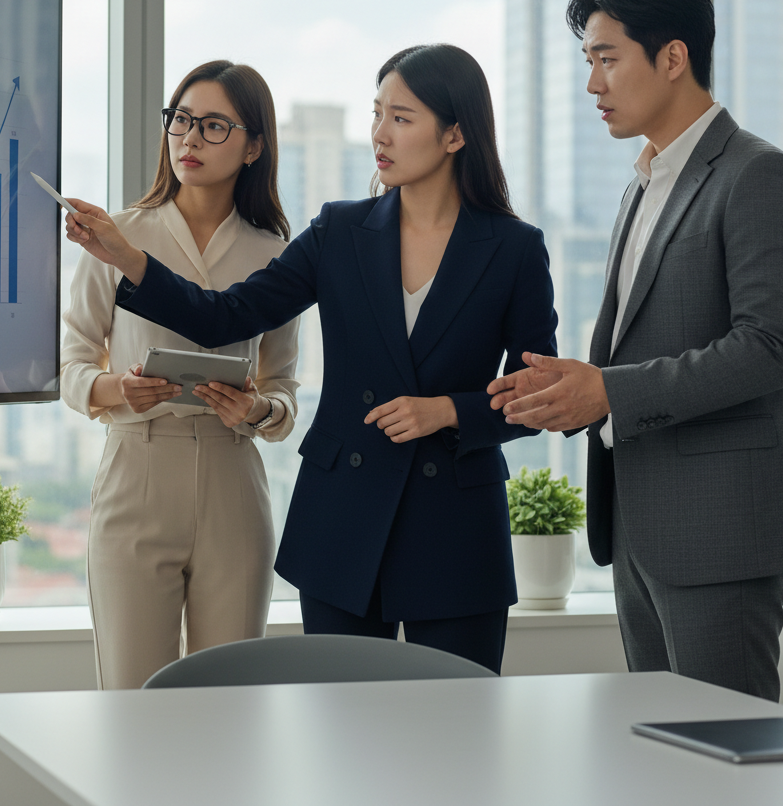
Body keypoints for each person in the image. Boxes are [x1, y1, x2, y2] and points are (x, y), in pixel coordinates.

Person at [64, 44, 558, 673]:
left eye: (401, 118)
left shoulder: (514, 248)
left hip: (456, 529)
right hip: (342, 523)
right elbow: (224, 318)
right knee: (341, 741)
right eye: (377, 114)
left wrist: (449, 411)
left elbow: (537, 394)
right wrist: (126, 256)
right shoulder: (339, 232)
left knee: (458, 738)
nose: (380, 134)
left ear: (456, 133)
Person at [487, 0, 783, 701]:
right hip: (641, 526)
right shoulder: (644, 181)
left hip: (720, 535)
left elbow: (768, 349)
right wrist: (572, 388)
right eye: (588, 62)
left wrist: (608, 391)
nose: (592, 85)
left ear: (673, 58)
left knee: (726, 758)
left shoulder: (759, 175)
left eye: (607, 59)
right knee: (667, 760)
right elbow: (646, 342)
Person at [60, 60, 300, 688]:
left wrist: (256, 411)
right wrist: (118, 389)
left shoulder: (274, 254)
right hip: (137, 468)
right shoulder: (117, 236)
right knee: (133, 697)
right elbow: (70, 361)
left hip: (233, 478)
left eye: (214, 125)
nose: (189, 138)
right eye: (181, 120)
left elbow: (284, 392)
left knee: (231, 701)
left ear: (254, 146)